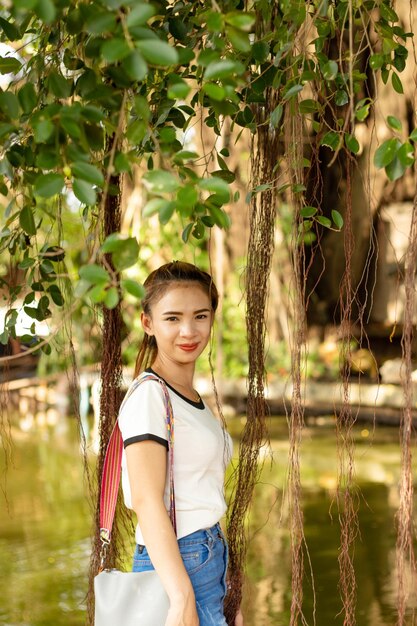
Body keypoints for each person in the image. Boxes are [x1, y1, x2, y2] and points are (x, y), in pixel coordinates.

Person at [118, 261, 243, 626]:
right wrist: (181, 595)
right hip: (177, 568)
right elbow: (145, 497)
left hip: (208, 560)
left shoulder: (190, 397)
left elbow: (200, 495)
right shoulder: (149, 397)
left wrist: (228, 582)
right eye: (172, 318)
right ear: (147, 323)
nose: (188, 330)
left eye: (200, 316)